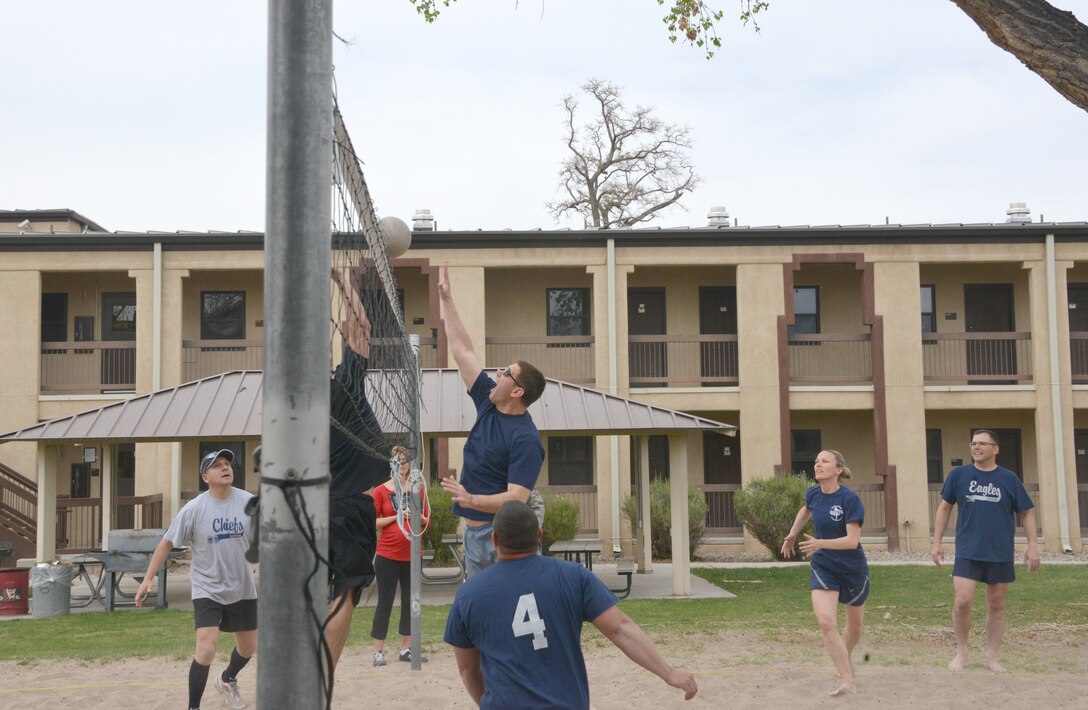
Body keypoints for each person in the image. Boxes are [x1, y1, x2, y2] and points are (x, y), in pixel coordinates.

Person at [444, 501, 698, 708]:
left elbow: (467, 668)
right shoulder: (573, 577)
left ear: (495, 540)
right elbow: (619, 628)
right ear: (539, 536)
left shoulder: (469, 595)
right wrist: (669, 672)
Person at [437, 263, 546, 577]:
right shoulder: (487, 402)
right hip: (473, 537)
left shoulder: (525, 438)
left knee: (513, 614)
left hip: (506, 539)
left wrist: (472, 499)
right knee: (480, 615)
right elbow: (462, 349)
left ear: (517, 391)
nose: (497, 373)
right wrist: (446, 300)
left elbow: (517, 498)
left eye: (506, 373)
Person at [136, 449, 255, 710]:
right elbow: (167, 543)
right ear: (205, 476)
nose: (225, 468)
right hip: (207, 588)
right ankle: (193, 707)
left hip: (242, 587)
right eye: (217, 465)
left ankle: (227, 679)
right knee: (206, 649)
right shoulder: (194, 509)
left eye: (227, 464)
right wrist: (148, 579)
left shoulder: (249, 502)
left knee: (247, 649)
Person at [324, 267, 396, 671]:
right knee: (346, 593)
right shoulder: (344, 386)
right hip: (348, 508)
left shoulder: (301, 407)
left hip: (316, 506)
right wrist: (345, 281)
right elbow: (362, 328)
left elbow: (354, 328)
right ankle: (322, 680)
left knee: (316, 590)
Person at [931, 428, 1040, 673]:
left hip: (1000, 551)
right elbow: (945, 508)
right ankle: (961, 652)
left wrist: (1033, 545)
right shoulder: (959, 475)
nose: (976, 447)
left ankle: (991, 657)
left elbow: (1027, 512)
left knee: (997, 604)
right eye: (973, 443)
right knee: (962, 601)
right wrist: (936, 542)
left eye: (982, 443)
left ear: (995, 449)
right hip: (968, 550)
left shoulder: (1009, 478)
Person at [781, 449, 869, 697]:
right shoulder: (813, 493)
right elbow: (806, 509)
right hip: (823, 567)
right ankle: (847, 679)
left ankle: (845, 657)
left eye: (824, 461)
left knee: (855, 629)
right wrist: (793, 532)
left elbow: (852, 541)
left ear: (838, 470)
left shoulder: (849, 500)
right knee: (826, 622)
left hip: (852, 569)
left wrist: (820, 543)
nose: (818, 464)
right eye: (816, 460)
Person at [370, 445, 430, 666]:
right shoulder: (381, 490)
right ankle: (378, 651)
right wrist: (397, 516)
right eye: (398, 460)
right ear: (391, 464)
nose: (402, 464)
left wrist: (419, 518)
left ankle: (406, 648)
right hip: (387, 554)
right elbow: (373, 522)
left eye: (405, 461)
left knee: (410, 601)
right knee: (384, 602)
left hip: (412, 555)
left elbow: (426, 520)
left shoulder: (416, 490)